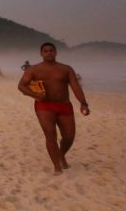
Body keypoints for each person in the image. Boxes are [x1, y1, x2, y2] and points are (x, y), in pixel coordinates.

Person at [18, 42, 90, 175]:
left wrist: (83, 103)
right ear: (41, 53)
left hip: (64, 105)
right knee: (50, 134)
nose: (49, 53)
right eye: (46, 51)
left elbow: (75, 87)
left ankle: (61, 154)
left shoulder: (66, 69)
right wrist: (35, 95)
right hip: (44, 106)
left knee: (69, 137)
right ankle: (57, 166)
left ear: (56, 52)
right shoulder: (33, 69)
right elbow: (21, 86)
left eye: (51, 50)